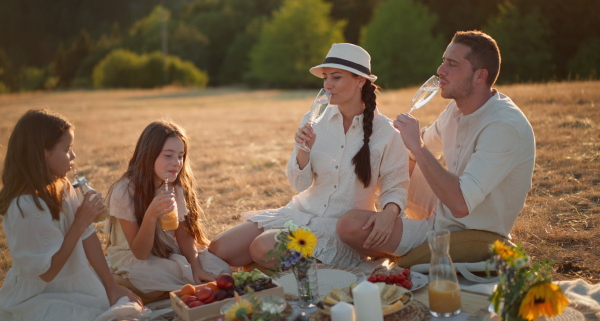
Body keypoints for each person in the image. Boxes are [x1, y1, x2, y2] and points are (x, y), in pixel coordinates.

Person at [337, 30, 536, 264]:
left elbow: (461, 205)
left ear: (480, 75)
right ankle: (390, 221)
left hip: (471, 230)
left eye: (452, 64)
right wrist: (375, 130)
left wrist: (418, 148)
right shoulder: (456, 109)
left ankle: (406, 243)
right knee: (385, 156)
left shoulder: (504, 127)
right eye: (444, 61)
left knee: (349, 226)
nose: (441, 70)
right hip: (443, 207)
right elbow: (413, 147)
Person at [209, 43, 410, 269]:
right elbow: (299, 184)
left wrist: (389, 213)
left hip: (339, 227)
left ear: (360, 81)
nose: (327, 85)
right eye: (325, 78)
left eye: (336, 78)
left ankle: (319, 271)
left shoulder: (387, 133)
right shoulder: (314, 119)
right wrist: (303, 150)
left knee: (262, 247)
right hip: (300, 213)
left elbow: (396, 186)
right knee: (220, 248)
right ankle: (290, 267)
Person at [0, 109, 141, 320]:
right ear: (42, 154)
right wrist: (80, 222)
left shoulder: (64, 186)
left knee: (124, 309)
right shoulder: (23, 207)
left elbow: (88, 235)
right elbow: (47, 273)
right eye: (67, 149)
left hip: (78, 285)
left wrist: (110, 285)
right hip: (39, 295)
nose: (73, 156)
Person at [104, 119, 231, 298]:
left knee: (222, 270)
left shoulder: (174, 186)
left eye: (181, 156)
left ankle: (165, 289)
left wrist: (196, 268)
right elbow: (140, 253)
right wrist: (150, 216)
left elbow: (183, 234)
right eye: (168, 155)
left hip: (168, 250)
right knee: (152, 277)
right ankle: (121, 279)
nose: (177, 163)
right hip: (135, 257)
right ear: (149, 155)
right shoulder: (124, 192)